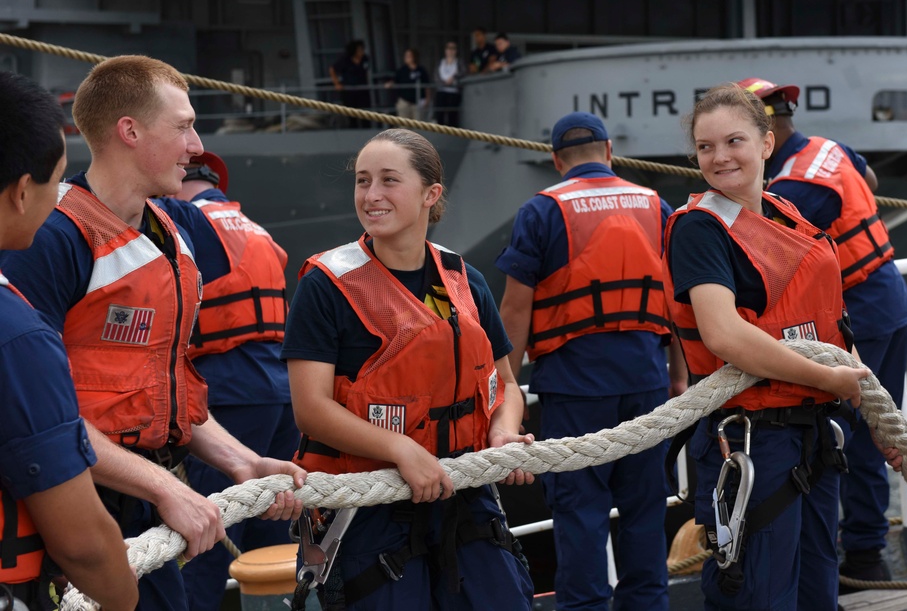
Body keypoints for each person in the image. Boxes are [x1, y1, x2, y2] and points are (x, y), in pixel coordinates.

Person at [0, 55, 307, 611]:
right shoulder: (49, 239)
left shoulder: (179, 229)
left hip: (155, 504)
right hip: (76, 507)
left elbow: (163, 386)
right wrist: (166, 488)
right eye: (184, 126)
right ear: (130, 131)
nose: (196, 145)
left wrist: (241, 460)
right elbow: (40, 411)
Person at [283, 128, 534, 610]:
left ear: (430, 194)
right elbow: (310, 409)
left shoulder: (464, 279)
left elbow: (504, 384)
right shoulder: (326, 286)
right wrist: (401, 449)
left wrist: (503, 434)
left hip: (464, 493)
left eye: (388, 180)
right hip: (369, 509)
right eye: (362, 181)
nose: (371, 195)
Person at [663, 83, 874, 610]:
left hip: (813, 437)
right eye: (705, 147)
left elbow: (830, 333)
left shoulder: (786, 216)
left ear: (766, 143)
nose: (719, 157)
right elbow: (724, 334)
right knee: (759, 595)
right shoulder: (699, 231)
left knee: (815, 591)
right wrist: (830, 380)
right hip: (753, 444)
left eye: (733, 141)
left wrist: (877, 415)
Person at [496, 111, 684, 611]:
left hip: (574, 390)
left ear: (557, 160)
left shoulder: (541, 210)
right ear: (608, 153)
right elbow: (681, 300)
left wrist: (506, 387)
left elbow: (516, 308)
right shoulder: (654, 204)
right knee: (644, 511)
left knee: (581, 515)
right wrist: (680, 378)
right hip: (648, 384)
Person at [737, 77, 907, 587]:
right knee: (871, 427)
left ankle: (863, 556)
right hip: (889, 299)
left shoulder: (795, 189)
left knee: (855, 433)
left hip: (862, 314)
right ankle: (864, 550)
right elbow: (872, 181)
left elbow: (774, 257)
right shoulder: (828, 150)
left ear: (761, 133)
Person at [0, 71, 138, 611]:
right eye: (57, 181)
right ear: (20, 191)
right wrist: (123, 600)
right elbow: (84, 545)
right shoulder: (18, 337)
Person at [154, 151, 297, 611]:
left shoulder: (185, 227)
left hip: (229, 398)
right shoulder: (258, 231)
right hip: (281, 394)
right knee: (273, 537)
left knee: (207, 539)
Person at [330, 40, 372, 129]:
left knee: (365, 114)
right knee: (352, 115)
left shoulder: (365, 59)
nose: (361, 52)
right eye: (359, 50)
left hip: (362, 91)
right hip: (349, 91)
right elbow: (332, 69)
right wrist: (337, 84)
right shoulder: (345, 60)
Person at [385, 49, 432, 120]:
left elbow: (427, 86)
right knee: (403, 126)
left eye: (409, 56)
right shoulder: (402, 70)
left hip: (418, 102)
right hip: (404, 101)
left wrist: (427, 99)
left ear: (414, 57)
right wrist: (389, 84)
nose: (406, 57)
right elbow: (395, 80)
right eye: (406, 56)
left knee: (418, 125)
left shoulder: (421, 70)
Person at [434, 41, 465, 127]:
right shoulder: (441, 62)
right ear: (445, 50)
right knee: (440, 114)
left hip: (454, 91)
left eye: (453, 48)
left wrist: (453, 78)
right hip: (441, 90)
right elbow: (436, 76)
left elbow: (462, 72)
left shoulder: (458, 62)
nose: (450, 51)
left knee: (452, 115)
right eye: (448, 48)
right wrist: (444, 83)